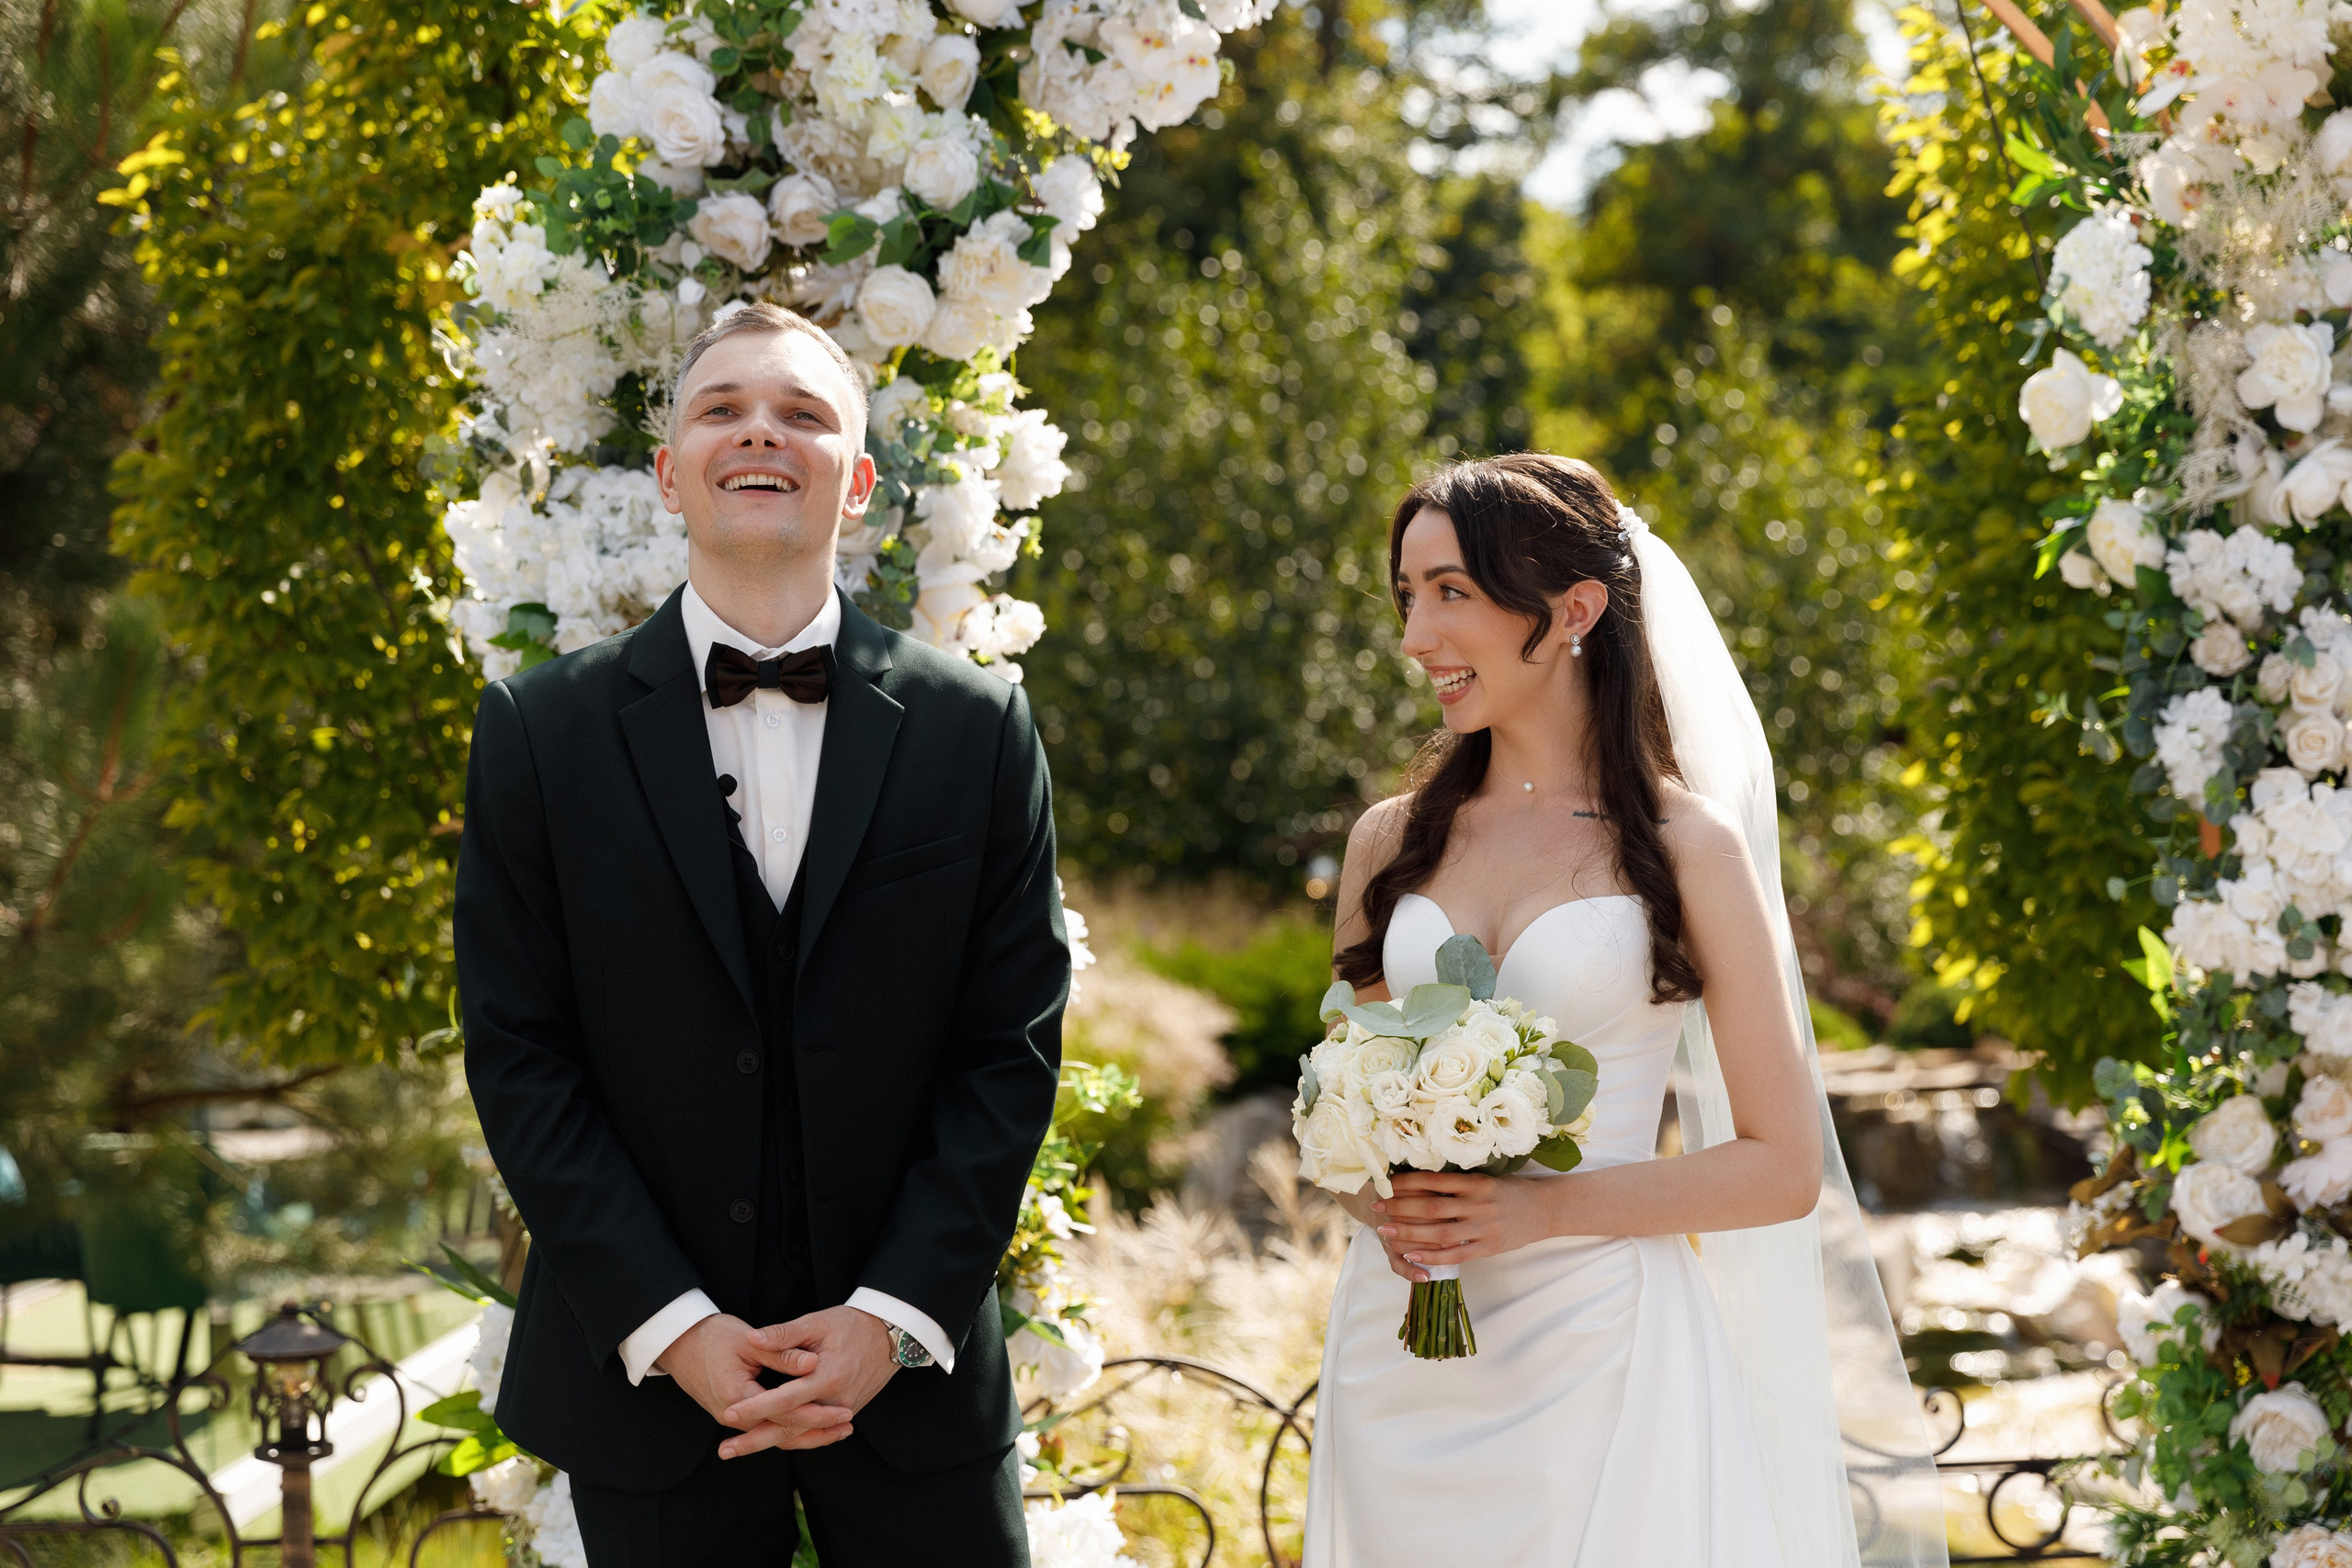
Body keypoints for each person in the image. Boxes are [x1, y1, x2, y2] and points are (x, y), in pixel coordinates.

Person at [455, 300, 1068, 1565]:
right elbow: (522, 1056)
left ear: (859, 485)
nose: (762, 434)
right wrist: (670, 1322)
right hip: (655, 1392)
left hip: (913, 1391)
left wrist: (889, 1316)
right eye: (722, 407)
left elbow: (1007, 1052)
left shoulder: (979, 728)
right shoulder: (539, 732)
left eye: (804, 413)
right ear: (670, 475)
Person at [1302, 454, 1945, 1567]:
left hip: (1597, 1353)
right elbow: (1344, 1108)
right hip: (1396, 1357)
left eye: (1451, 591)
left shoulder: (1688, 848)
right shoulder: (1386, 840)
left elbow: (1783, 1167)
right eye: (1407, 596)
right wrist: (1384, 1200)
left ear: (1574, 609)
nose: (1415, 636)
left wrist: (1536, 1214)